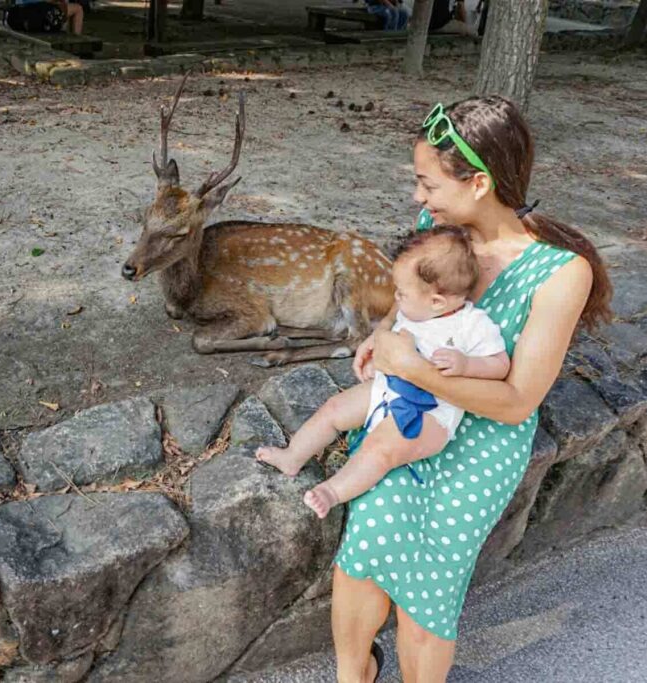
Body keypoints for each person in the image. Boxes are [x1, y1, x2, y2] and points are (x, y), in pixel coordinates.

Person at [322, 96, 610, 683]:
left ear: (478, 182)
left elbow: (519, 400)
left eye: (426, 184)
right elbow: (408, 303)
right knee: (365, 551)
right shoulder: (440, 233)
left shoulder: (560, 272)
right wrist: (381, 337)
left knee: (427, 593)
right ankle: (354, 674)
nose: (417, 199)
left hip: (484, 434)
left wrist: (414, 365)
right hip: (411, 414)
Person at [255, 226, 510, 520]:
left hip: (429, 413)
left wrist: (466, 365)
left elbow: (499, 364)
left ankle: (333, 491)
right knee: (334, 408)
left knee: (381, 447)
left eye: (401, 293)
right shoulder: (414, 311)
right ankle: (293, 456)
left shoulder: (472, 325)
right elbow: (394, 338)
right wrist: (376, 353)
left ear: (437, 302)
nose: (395, 298)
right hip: (387, 388)